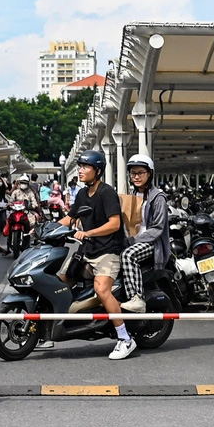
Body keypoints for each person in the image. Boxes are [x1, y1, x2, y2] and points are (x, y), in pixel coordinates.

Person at [69, 149, 134, 359]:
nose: (80, 170)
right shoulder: (81, 194)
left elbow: (114, 224)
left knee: (102, 289)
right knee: (62, 278)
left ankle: (125, 338)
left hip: (107, 251)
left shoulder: (107, 193)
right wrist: (45, 229)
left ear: (97, 171)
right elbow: (70, 218)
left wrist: (88, 232)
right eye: (80, 166)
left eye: (85, 167)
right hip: (87, 250)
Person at [118, 153, 169, 314]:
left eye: (141, 173)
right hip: (131, 240)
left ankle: (137, 298)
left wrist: (134, 240)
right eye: (133, 173)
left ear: (150, 174)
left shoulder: (158, 198)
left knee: (128, 255)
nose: (136, 177)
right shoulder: (131, 196)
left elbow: (157, 228)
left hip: (152, 243)